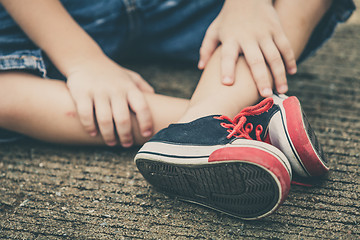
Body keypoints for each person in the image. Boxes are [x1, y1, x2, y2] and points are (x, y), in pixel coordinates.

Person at [0, 0, 355, 219]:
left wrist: (247, 4)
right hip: (51, 15)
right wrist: (83, 60)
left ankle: (205, 124)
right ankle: (244, 129)